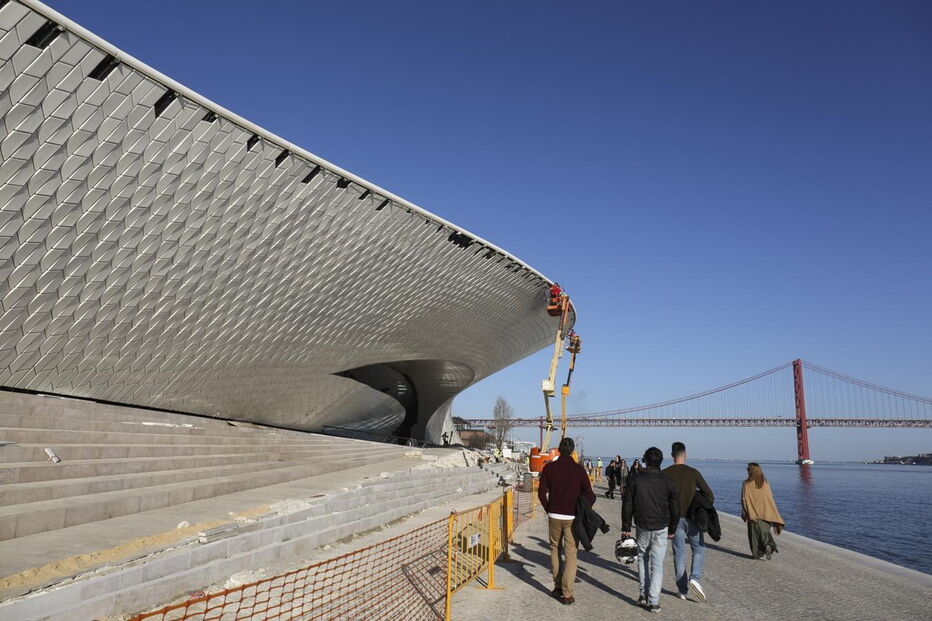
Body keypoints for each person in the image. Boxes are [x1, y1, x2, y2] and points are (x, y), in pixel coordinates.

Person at [538, 437, 595, 605]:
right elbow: (590, 495)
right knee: (571, 553)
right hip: (572, 517)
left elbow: (541, 494)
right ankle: (567, 593)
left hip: (554, 515)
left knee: (554, 548)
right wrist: (582, 510)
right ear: (572, 451)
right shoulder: (578, 470)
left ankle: (557, 586)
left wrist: (549, 508)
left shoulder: (549, 468)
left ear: (559, 449)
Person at [622, 447, 678, 613]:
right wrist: (672, 528)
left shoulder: (635, 479)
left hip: (642, 525)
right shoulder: (669, 481)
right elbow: (675, 507)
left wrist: (626, 527)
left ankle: (643, 594)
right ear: (660, 461)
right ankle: (654, 601)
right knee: (658, 564)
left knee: (642, 558)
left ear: (645, 460)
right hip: (661, 526)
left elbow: (627, 504)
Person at [662, 441, 714, 602]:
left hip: (674, 519)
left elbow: (661, 498)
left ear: (671, 455)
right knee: (698, 549)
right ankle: (695, 578)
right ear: (685, 454)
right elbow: (710, 495)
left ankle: (682, 590)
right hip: (693, 518)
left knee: (679, 554)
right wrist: (698, 504)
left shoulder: (665, 473)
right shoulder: (694, 473)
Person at [741, 463, 784, 560]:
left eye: (748, 469)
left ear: (751, 471)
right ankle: (767, 545)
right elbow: (769, 498)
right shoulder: (765, 482)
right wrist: (773, 511)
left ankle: (756, 554)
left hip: (752, 514)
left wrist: (744, 512)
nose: (747, 470)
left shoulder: (746, 483)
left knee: (754, 535)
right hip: (766, 513)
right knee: (765, 532)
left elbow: (743, 499)